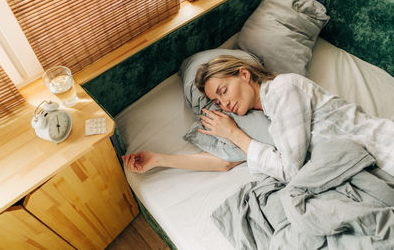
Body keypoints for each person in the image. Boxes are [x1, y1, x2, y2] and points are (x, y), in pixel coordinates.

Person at [124, 55, 394, 182]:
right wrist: (159, 159)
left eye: (223, 90)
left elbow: (291, 171)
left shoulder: (282, 89)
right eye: (217, 102)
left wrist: (234, 134)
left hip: (381, 147)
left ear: (243, 74)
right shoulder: (257, 116)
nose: (224, 103)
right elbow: (225, 162)